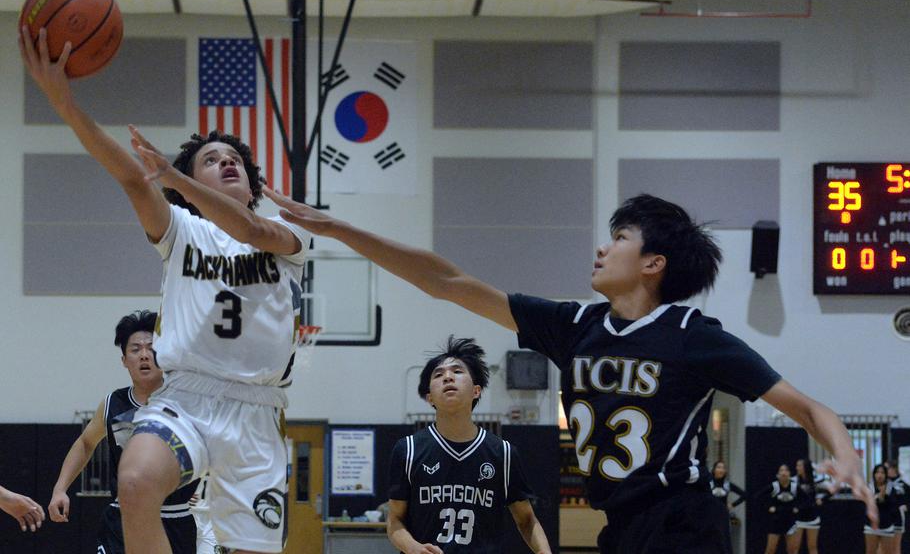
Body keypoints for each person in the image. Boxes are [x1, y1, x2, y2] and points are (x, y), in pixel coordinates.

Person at [263, 190, 878, 553]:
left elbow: (807, 407)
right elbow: (448, 282)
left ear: (653, 263)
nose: (602, 247)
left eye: (620, 237)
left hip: (682, 522)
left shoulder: (693, 337)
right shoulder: (574, 324)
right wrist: (339, 228)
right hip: (621, 526)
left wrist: (845, 454)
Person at [21, 28, 311, 554]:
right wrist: (64, 103)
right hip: (187, 397)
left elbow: (252, 231)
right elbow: (133, 180)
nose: (227, 163)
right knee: (133, 484)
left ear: (252, 184)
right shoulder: (182, 230)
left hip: (256, 412)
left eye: (235, 162)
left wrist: (178, 178)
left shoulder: (287, 232)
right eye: (211, 159)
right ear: (191, 184)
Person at [47, 310, 203, 554]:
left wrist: (201, 484)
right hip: (122, 518)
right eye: (135, 349)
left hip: (175, 519)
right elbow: (86, 443)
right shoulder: (112, 404)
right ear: (124, 360)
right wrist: (60, 488)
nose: (144, 355)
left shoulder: (187, 402)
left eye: (151, 348)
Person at [387, 336, 552, 554]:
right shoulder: (407, 450)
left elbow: (527, 519)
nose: (447, 377)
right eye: (439, 374)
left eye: (457, 371)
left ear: (476, 391)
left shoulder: (502, 453)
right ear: (430, 398)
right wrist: (413, 548)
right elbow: (394, 520)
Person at [788, 458, 822, 554]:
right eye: (797, 465)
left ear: (805, 467)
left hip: (813, 517)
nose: (797, 468)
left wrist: (822, 499)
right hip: (798, 518)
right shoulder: (793, 481)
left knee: (812, 547)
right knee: (794, 548)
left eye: (799, 465)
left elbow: (832, 488)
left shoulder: (816, 480)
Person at [764, 464, 797, 554]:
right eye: (781, 470)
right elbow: (758, 497)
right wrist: (768, 507)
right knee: (770, 550)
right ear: (777, 475)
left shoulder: (794, 487)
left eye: (786, 470)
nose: (784, 472)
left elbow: (807, 500)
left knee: (792, 550)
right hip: (776, 521)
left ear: (789, 473)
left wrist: (798, 507)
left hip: (790, 522)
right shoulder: (774, 486)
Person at [866, 464, 896, 554]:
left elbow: (893, 506)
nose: (879, 475)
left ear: (886, 475)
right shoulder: (869, 487)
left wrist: (884, 497)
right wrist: (876, 497)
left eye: (882, 473)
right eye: (877, 472)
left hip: (887, 525)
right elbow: (866, 504)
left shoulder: (891, 488)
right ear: (874, 474)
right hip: (871, 525)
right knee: (870, 551)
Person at [886, 463, 906, 554]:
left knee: (896, 546)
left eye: (887, 468)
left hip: (897, 518)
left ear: (894, 469)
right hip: (884, 517)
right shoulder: (883, 483)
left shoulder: (903, 484)